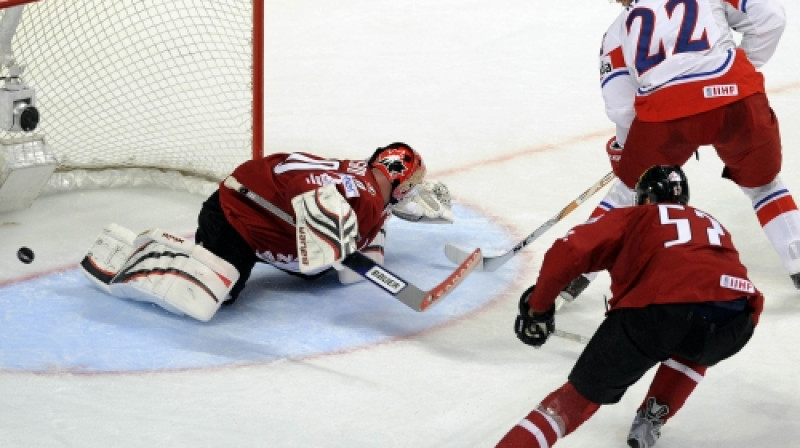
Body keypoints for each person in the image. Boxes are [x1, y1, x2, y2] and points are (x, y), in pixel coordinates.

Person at [495, 165, 763, 448]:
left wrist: (538, 308)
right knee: (698, 334)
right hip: (736, 320)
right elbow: (710, 286)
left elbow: (568, 251)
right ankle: (653, 416)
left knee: (573, 402)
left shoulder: (638, 216)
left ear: (646, 199)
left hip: (658, 314)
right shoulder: (712, 223)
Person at [560, 0, 800, 304]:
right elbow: (772, 16)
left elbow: (621, 108)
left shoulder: (617, 32)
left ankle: (571, 273)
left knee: (626, 194)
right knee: (764, 184)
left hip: (668, 117)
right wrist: (743, 67)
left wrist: (626, 149)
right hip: (737, 100)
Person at [79, 142, 454, 321]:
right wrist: (327, 218)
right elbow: (294, 176)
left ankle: (331, 245)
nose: (416, 188)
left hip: (270, 220)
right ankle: (140, 253)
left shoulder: (367, 189)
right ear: (398, 177)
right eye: (415, 180)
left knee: (338, 267)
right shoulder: (358, 191)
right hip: (236, 214)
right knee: (210, 292)